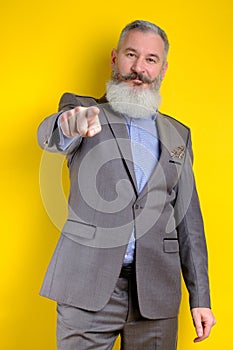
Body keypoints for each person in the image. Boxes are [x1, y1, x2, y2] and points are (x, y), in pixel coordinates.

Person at [37, 19, 216, 350]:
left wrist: (200, 297)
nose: (139, 68)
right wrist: (67, 124)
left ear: (162, 69)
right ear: (114, 58)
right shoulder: (85, 110)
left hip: (156, 296)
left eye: (151, 60)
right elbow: (51, 133)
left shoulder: (179, 135)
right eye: (131, 55)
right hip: (86, 292)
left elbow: (189, 223)